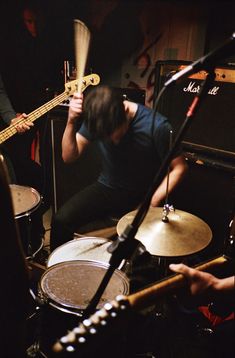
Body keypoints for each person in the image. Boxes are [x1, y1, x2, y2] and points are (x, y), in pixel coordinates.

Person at [50, 85, 188, 251]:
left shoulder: (158, 127)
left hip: (145, 195)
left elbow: (179, 168)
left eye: (115, 134)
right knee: (61, 221)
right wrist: (71, 121)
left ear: (124, 110)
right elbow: (68, 156)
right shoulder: (99, 115)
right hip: (109, 187)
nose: (113, 141)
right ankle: (57, 272)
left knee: (136, 251)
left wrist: (152, 202)